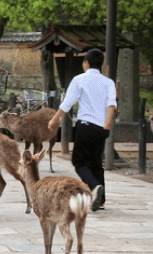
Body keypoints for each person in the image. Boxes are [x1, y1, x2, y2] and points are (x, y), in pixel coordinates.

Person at [47, 48, 116, 211]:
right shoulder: (109, 82)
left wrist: (54, 119)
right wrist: (107, 125)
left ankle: (94, 187)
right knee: (96, 163)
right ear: (101, 65)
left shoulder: (79, 79)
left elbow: (67, 103)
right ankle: (101, 201)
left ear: (86, 63)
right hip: (101, 128)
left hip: (85, 126)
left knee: (78, 162)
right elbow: (112, 105)